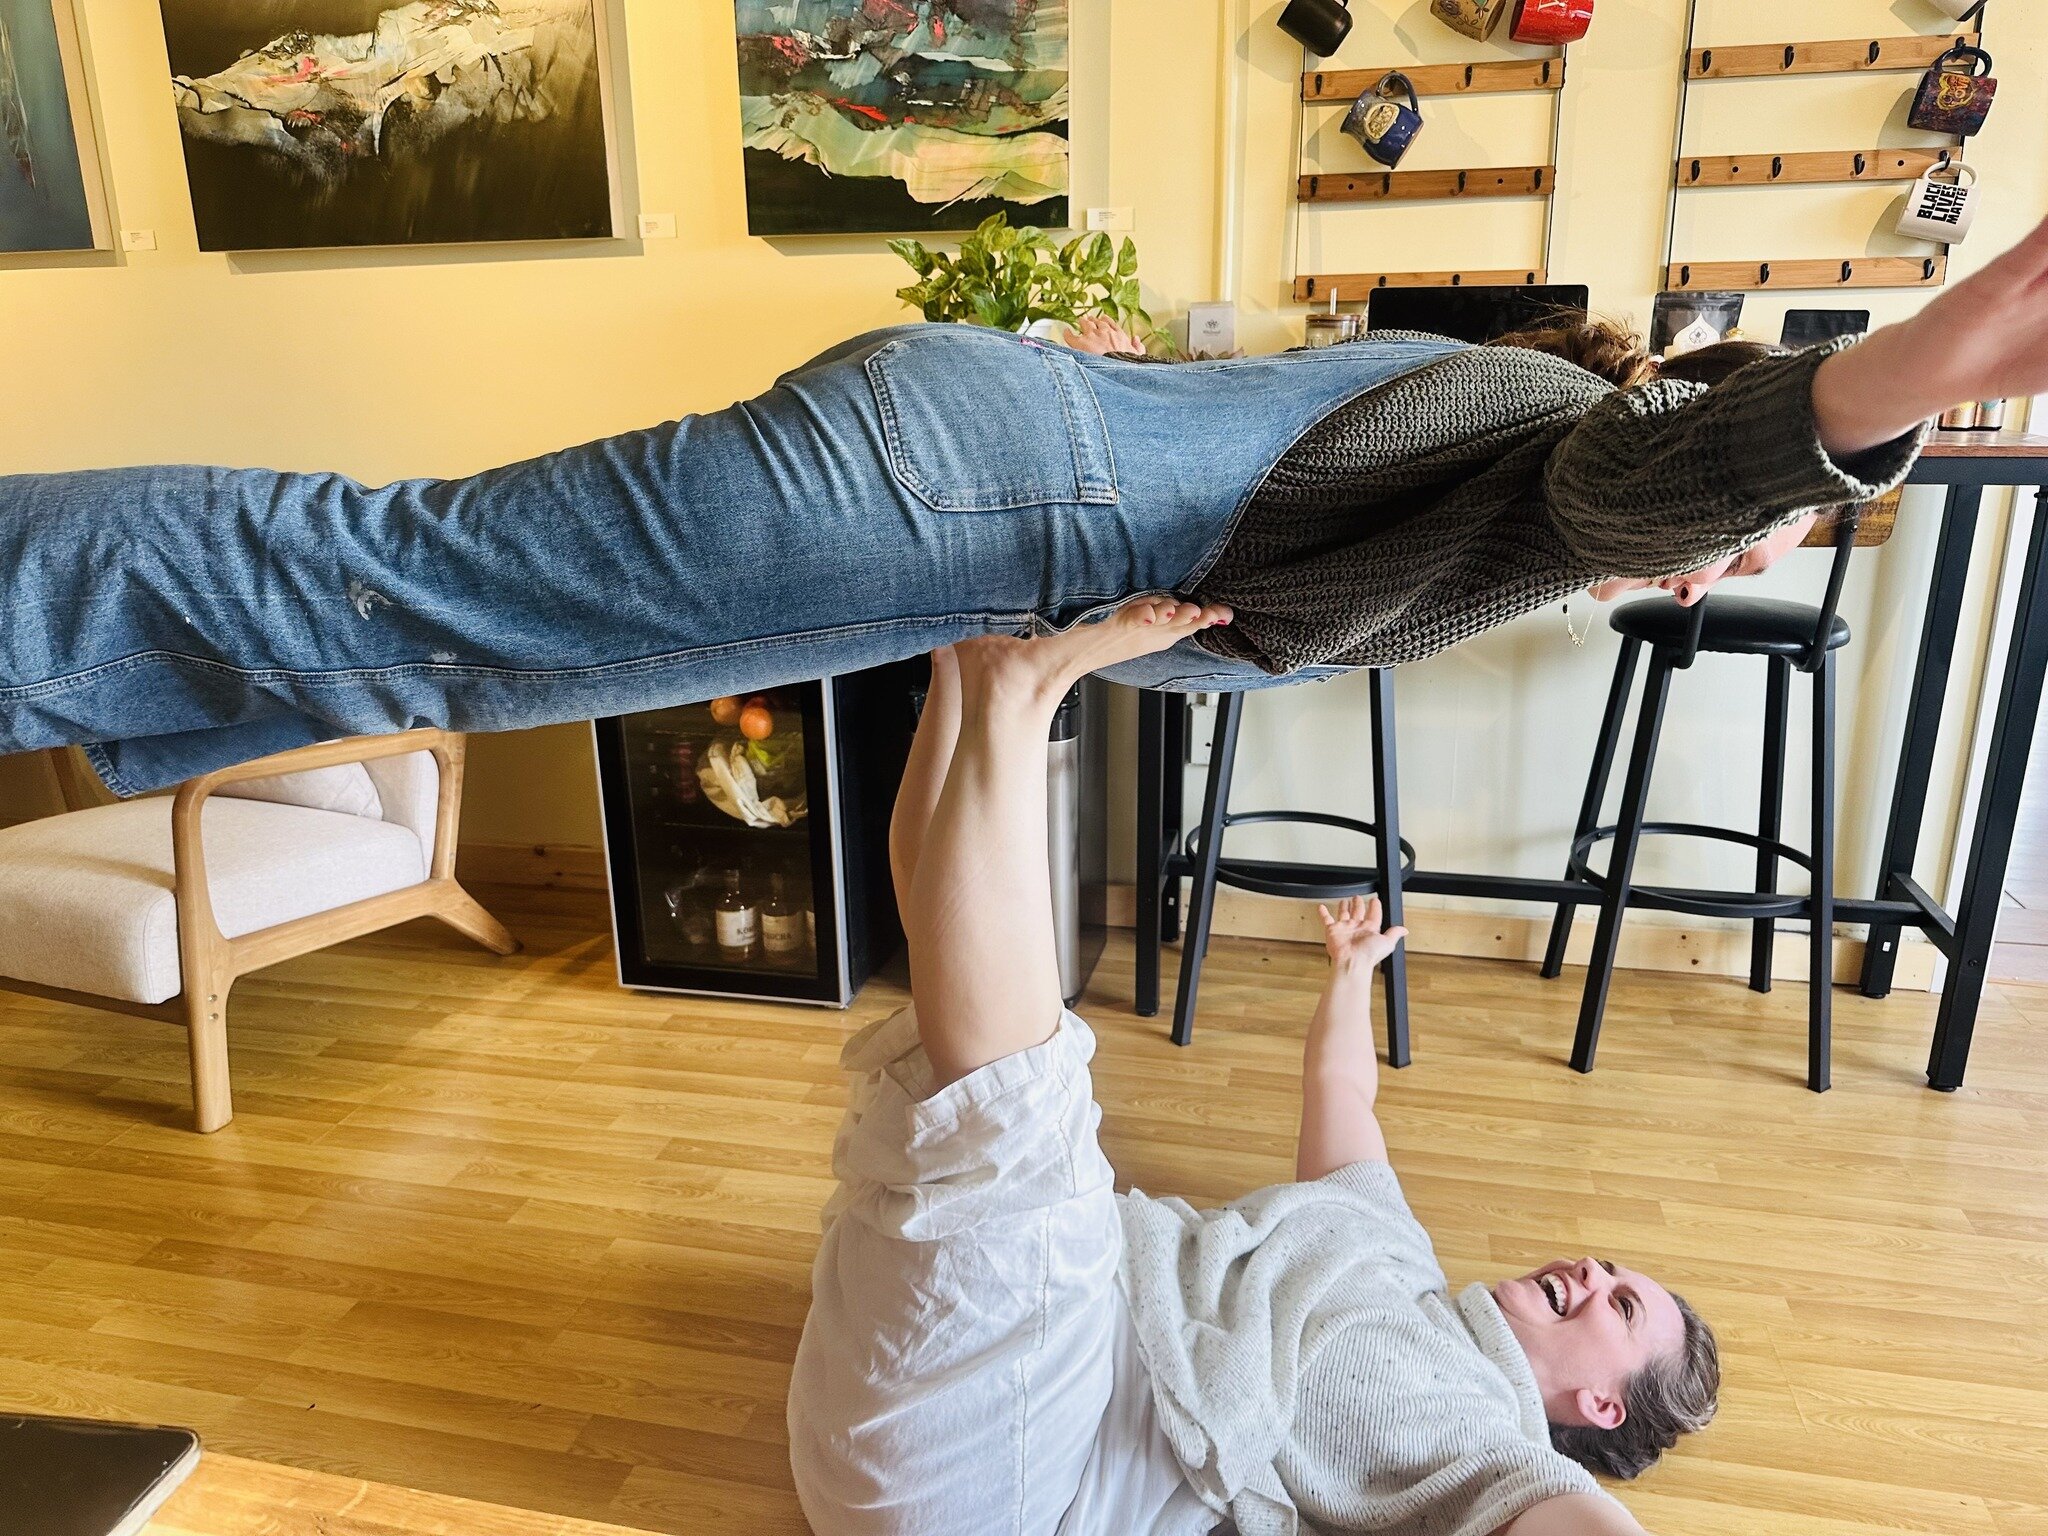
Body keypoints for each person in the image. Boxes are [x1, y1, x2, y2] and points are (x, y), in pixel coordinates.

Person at [7, 216, 2046, 797]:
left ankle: (68, 699)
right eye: (1759, 519)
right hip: (948, 501)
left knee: (427, 659)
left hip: (949, 506)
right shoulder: (1558, 429)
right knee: (395, 582)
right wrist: (1924, 371)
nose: (1718, 563)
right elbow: (1644, 488)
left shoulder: (1476, 411)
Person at [789, 596, 1716, 1536]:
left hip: (1032, 1477)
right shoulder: (1392, 1250)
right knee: (953, 1038)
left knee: (1021, 1111)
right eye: (1611, 1268)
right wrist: (1352, 977)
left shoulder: (1491, 1448)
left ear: (1603, 1404)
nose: (1591, 1273)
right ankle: (966, 658)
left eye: (1623, 1305)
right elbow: (1343, 1091)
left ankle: (1021, 690)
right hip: (1019, 1334)